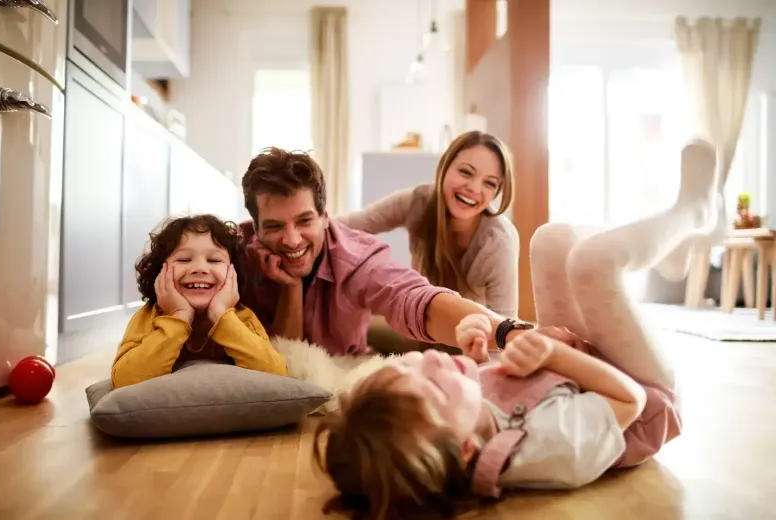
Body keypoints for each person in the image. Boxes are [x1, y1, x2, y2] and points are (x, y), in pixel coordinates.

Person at [312, 139, 718, 519]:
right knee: (594, 262)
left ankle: (670, 244)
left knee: (550, 239)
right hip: (646, 396)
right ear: (467, 449)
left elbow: (506, 331)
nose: (432, 359)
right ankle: (693, 214)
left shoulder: (461, 414)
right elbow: (629, 401)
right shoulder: (548, 449)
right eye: (466, 172)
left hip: (575, 368)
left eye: (412, 366)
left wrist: (481, 352)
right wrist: (554, 353)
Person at [237, 147, 529, 361]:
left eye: (304, 221)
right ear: (256, 227)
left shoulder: (359, 259)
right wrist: (291, 283)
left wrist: (510, 333)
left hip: (465, 327)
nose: (291, 239)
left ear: (326, 218)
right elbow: (365, 219)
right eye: (274, 226)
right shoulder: (234, 250)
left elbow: (413, 298)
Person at [338, 130, 519, 318]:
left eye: (489, 183)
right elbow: (349, 225)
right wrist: (309, 224)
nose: (474, 188)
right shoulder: (418, 203)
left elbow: (504, 327)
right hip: (418, 323)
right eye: (465, 172)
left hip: (468, 339)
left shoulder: (498, 242)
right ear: (445, 168)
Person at [111, 214, 288, 389]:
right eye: (184, 260)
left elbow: (277, 376)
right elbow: (124, 380)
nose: (200, 269)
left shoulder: (242, 318)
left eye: (214, 260)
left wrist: (221, 316)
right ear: (160, 272)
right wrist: (179, 317)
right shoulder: (148, 317)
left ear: (233, 274)